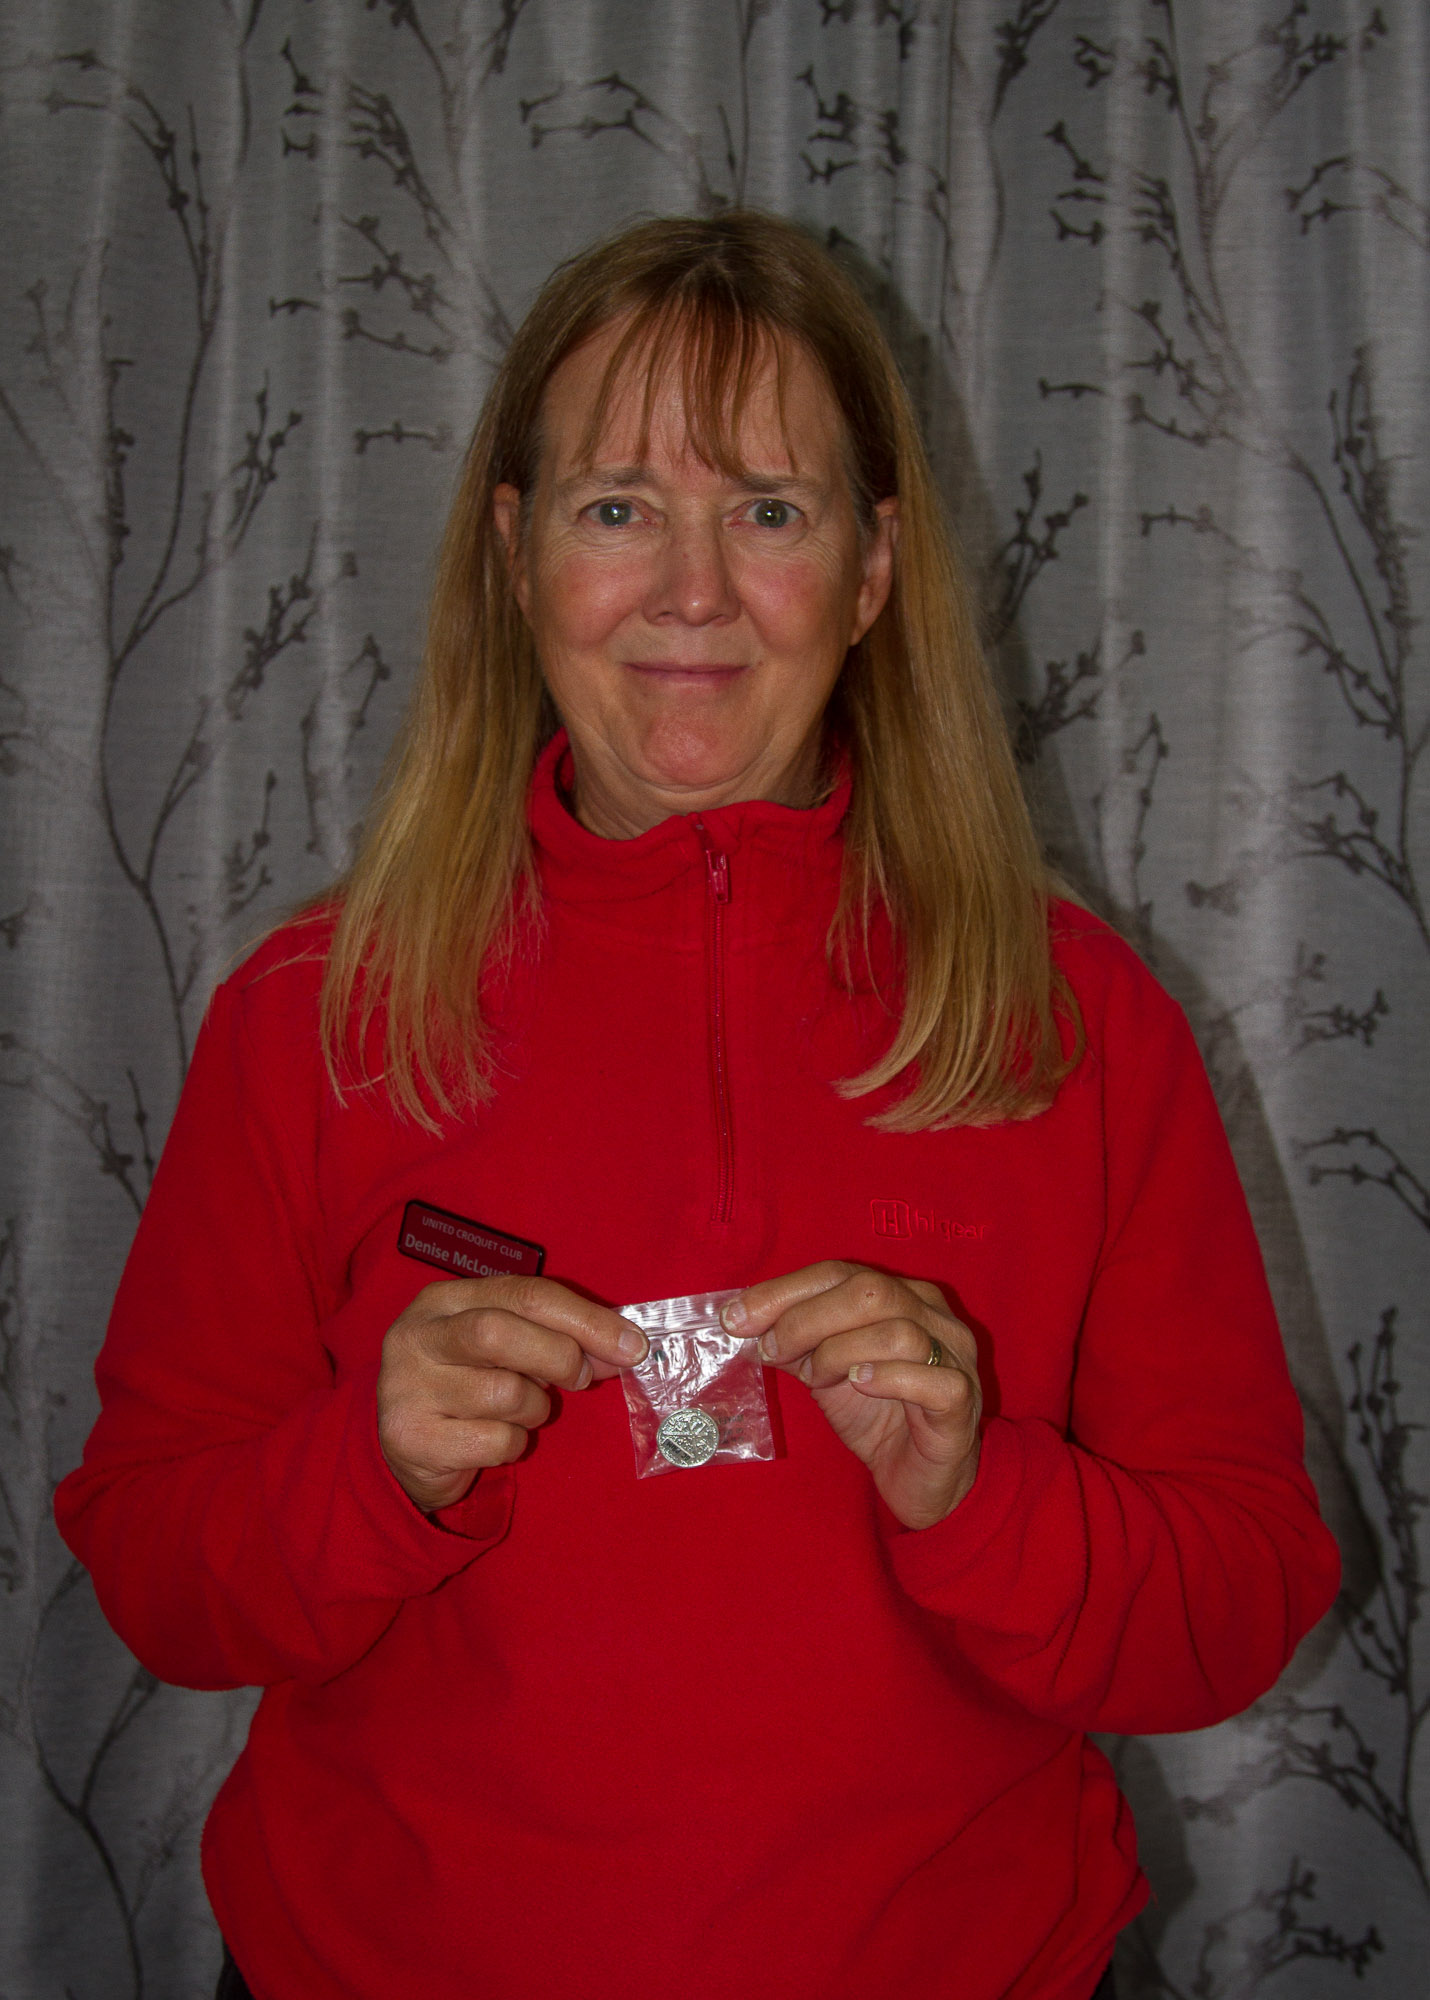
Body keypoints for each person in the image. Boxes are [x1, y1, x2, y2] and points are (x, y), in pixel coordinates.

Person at [55, 212, 1339, 2000]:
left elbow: (1233, 1612)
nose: (690, 592)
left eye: (768, 511)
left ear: (871, 570)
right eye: (615, 508)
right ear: (513, 553)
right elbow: (155, 1581)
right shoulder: (312, 1013)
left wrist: (980, 1491)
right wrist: (370, 1467)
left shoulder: (1079, 1019)